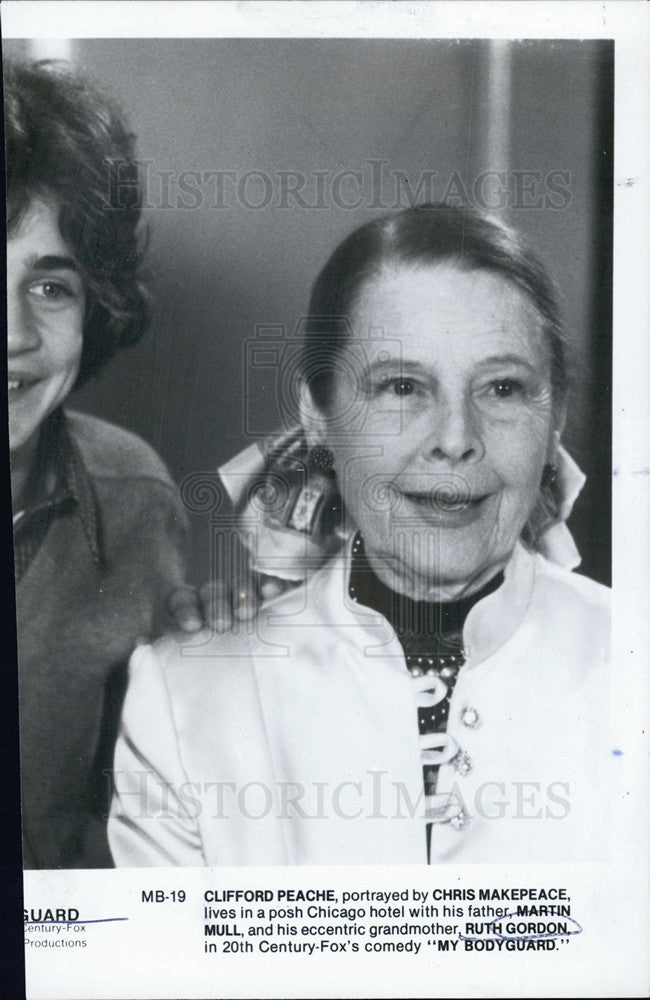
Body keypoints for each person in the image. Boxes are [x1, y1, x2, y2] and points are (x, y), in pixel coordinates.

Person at [109, 204, 611, 866]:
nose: (455, 440)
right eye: (402, 386)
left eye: (502, 388)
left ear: (555, 422)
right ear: (318, 414)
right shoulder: (179, 703)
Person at [6, 58, 219, 868]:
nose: (15, 335)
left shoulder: (135, 495)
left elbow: (144, 799)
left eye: (50, 287)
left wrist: (211, 651)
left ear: (96, 304)